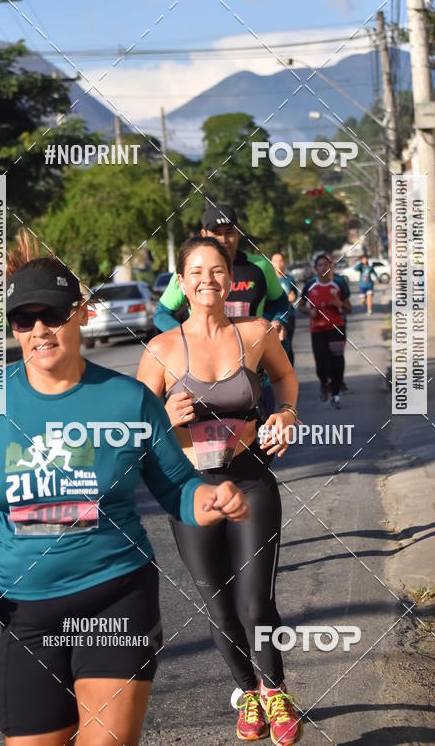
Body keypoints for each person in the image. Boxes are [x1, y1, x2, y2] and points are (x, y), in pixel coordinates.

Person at [0, 231, 249, 746]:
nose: (39, 330)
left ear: (81, 313)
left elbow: (176, 486)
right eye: (23, 319)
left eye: (53, 315)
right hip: (25, 611)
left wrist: (209, 500)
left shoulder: (127, 400)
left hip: (115, 597)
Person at [138, 235, 303, 745]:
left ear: (231, 280)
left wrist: (286, 413)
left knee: (256, 603)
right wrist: (164, 417)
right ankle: (247, 693)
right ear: (181, 284)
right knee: (219, 605)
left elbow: (287, 376)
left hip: (251, 478)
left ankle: (275, 690)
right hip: (192, 492)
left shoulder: (255, 333)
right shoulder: (162, 349)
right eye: (196, 272)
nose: (207, 280)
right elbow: (134, 428)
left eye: (217, 271)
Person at [154, 202, 294, 413]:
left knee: (262, 434)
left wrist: (279, 320)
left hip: (254, 367)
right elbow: (161, 314)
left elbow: (281, 301)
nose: (223, 239)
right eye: (216, 233)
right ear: (203, 233)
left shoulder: (261, 267)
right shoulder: (187, 270)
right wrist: (184, 340)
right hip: (204, 369)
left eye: (229, 232)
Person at [298, 253, 352, 409]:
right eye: (320, 265)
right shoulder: (310, 286)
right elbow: (300, 305)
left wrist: (339, 303)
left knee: (337, 361)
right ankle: (324, 382)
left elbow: (349, 309)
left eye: (326, 265)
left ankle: (335, 394)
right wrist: (309, 312)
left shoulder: (338, 284)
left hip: (336, 329)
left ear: (330, 268)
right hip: (318, 330)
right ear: (315, 268)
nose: (323, 267)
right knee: (322, 364)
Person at [271, 252, 297, 366]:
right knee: (274, 348)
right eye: (275, 261)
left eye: (281, 261)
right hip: (273, 318)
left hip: (288, 318)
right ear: (271, 263)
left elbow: (294, 296)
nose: (278, 264)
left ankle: (290, 371)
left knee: (287, 345)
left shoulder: (289, 279)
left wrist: (292, 298)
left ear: (284, 263)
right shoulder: (268, 280)